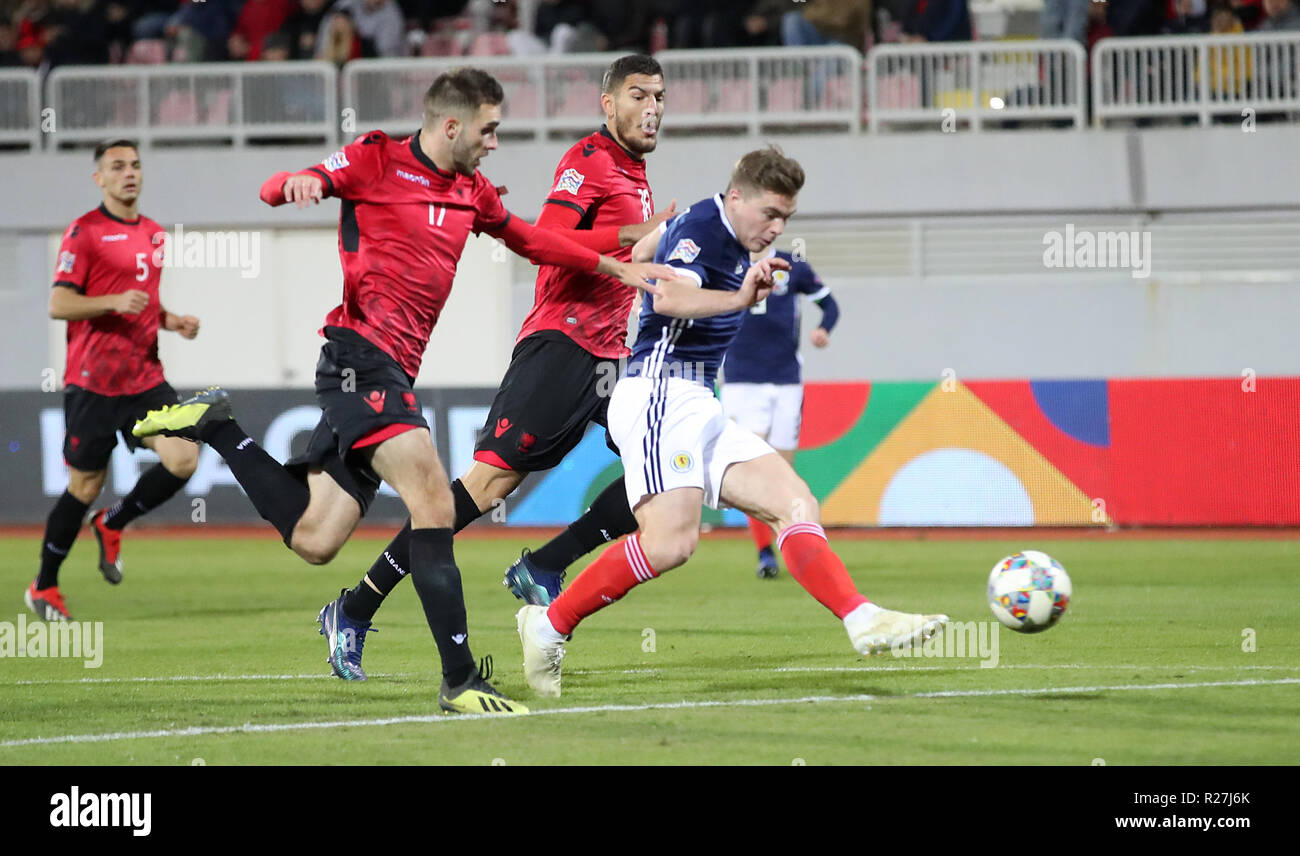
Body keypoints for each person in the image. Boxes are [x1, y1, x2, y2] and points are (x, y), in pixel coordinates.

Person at [132, 68, 673, 715]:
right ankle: (461, 679)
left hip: (393, 374)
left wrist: (611, 261)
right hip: (359, 362)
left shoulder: (472, 191)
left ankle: (219, 426)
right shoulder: (376, 158)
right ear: (452, 125)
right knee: (435, 502)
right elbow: (271, 187)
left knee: (314, 539)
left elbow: (532, 240)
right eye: (489, 129)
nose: (496, 142)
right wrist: (297, 183)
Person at [515, 147, 949, 697]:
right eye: (769, 213)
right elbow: (668, 296)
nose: (776, 227)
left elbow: (648, 251)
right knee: (671, 544)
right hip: (658, 394)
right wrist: (740, 295)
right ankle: (548, 625)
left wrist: (654, 247)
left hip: (699, 402)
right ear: (736, 197)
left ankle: (860, 617)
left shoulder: (723, 235)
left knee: (795, 504)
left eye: (786, 218)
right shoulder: (706, 227)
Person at [319, 53, 672, 679]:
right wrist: (630, 238)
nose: (652, 108)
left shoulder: (634, 173)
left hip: (613, 357)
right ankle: (355, 607)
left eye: (660, 97)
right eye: (639, 95)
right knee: (478, 493)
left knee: (666, 470)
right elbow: (548, 243)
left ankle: (546, 563)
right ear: (608, 103)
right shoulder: (588, 163)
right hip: (561, 348)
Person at [27, 139, 201, 622]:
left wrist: (172, 320)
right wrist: (111, 301)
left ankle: (114, 522)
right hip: (93, 385)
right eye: (117, 166)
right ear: (98, 178)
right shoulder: (83, 233)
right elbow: (59, 304)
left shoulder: (153, 233)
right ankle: (44, 586)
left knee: (185, 457)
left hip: (145, 379)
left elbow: (142, 302)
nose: (130, 173)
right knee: (83, 485)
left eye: (136, 165)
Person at [720, 247, 838, 579]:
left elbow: (830, 304)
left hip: (786, 381)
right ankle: (765, 552)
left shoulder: (793, 265)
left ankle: (793, 547)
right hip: (741, 381)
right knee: (752, 470)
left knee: (783, 473)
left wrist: (824, 329)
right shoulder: (726, 258)